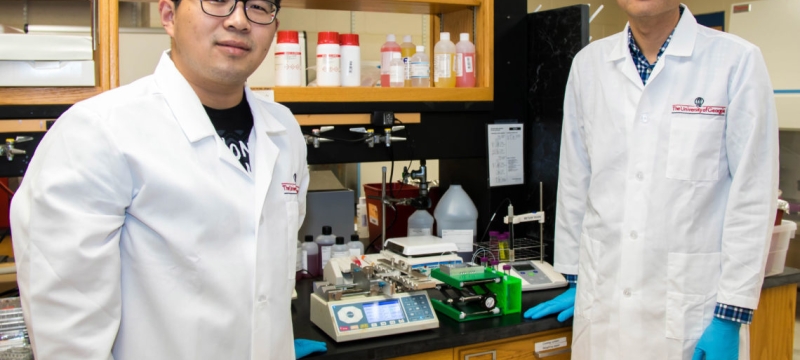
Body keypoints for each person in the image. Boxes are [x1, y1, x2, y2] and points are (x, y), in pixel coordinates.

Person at [10, 0, 326, 359]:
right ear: (169, 16)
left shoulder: (283, 130)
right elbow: (68, 329)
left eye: (257, 6)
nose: (239, 21)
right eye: (218, 1)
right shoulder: (98, 132)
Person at [523, 1, 779, 359]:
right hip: (604, 308)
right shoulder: (589, 64)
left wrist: (730, 316)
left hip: (692, 317)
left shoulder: (736, 62)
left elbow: (753, 196)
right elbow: (574, 181)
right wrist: (576, 277)